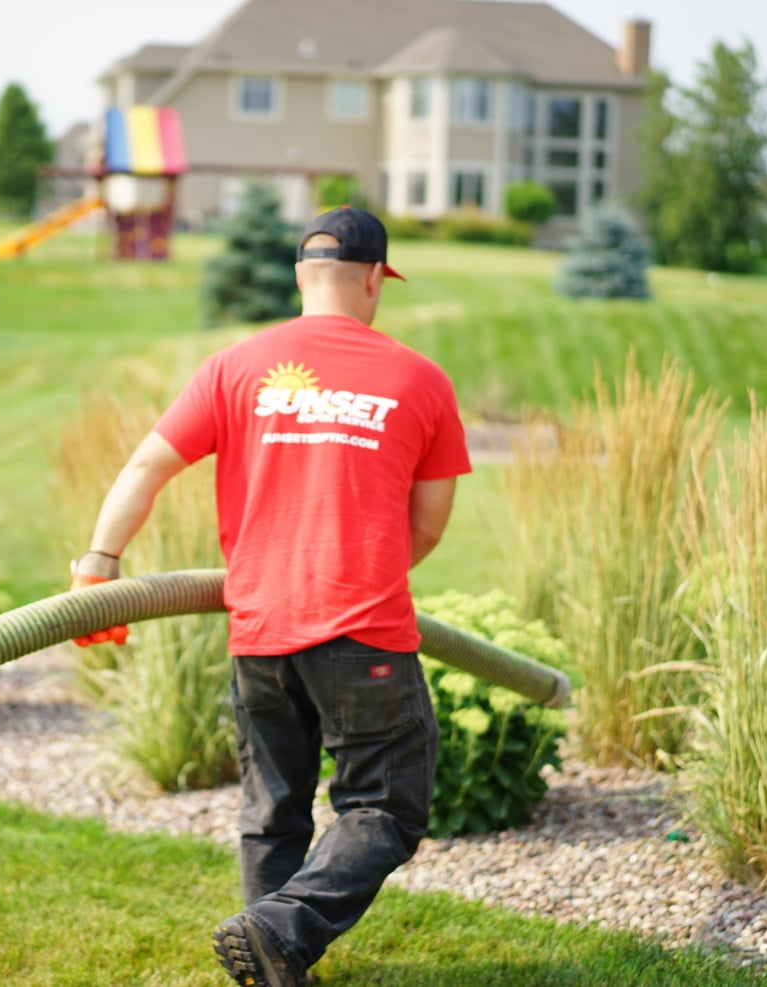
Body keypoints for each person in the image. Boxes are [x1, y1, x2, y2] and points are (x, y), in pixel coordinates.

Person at [68, 206, 471, 987]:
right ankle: (278, 929)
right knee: (386, 808)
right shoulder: (420, 379)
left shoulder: (234, 366)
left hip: (259, 629)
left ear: (299, 276)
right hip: (365, 634)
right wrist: (370, 566)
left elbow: (146, 466)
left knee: (273, 808)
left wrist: (98, 565)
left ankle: (273, 961)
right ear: (372, 280)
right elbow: (428, 525)